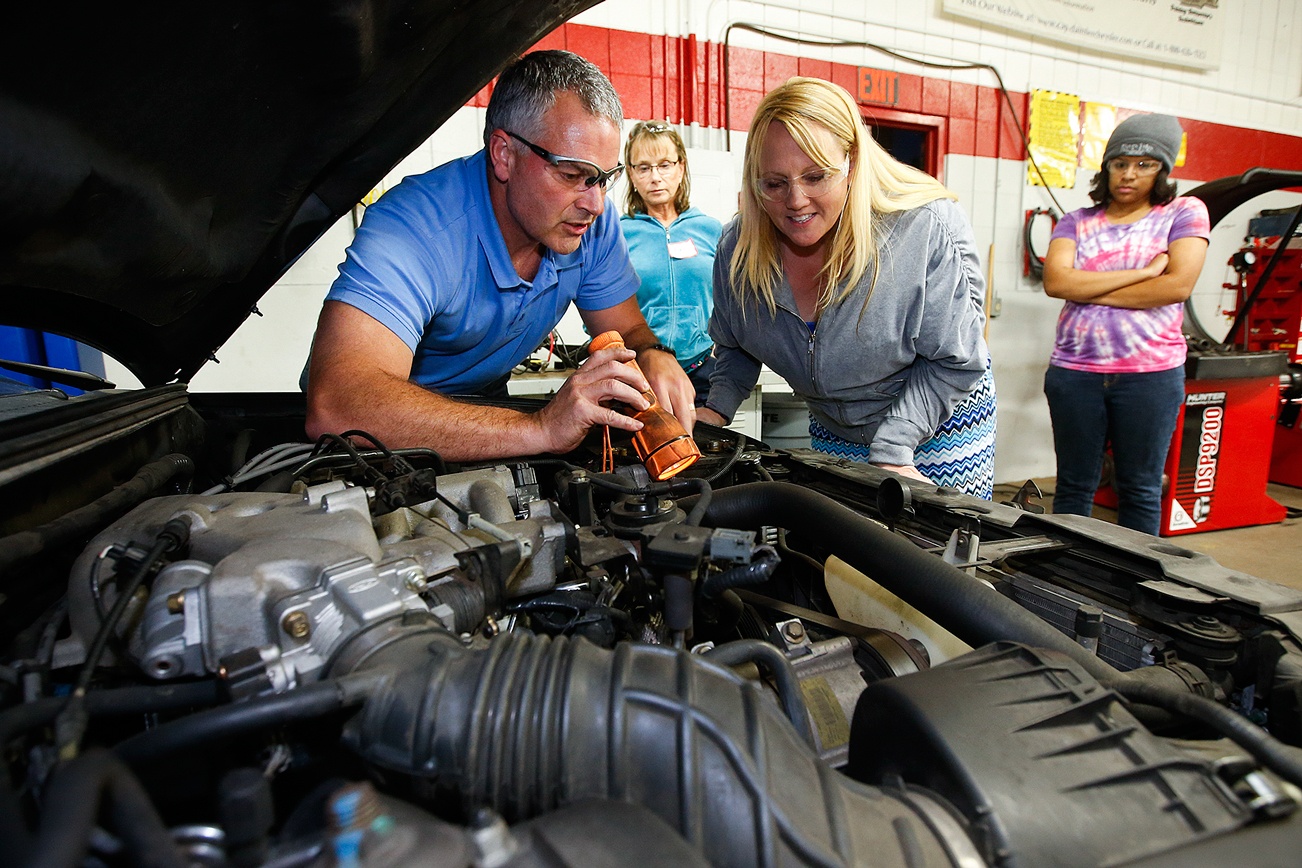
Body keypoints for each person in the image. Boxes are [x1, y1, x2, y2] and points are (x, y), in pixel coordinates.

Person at [304, 50, 694, 461]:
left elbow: (626, 329)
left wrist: (654, 355)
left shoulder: (589, 224)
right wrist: (541, 428)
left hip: (493, 410)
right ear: (504, 154)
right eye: (571, 175)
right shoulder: (416, 226)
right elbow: (339, 404)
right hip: (382, 438)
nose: (595, 204)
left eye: (603, 178)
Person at [696, 77, 997, 499]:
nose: (796, 201)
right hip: (836, 429)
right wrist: (715, 408)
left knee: (928, 558)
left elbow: (956, 361)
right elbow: (737, 343)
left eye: (816, 176)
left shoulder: (923, 230)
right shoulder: (738, 249)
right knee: (846, 556)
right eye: (775, 184)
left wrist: (895, 445)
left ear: (852, 163)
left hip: (935, 430)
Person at [1042, 113, 1209, 535]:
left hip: (1149, 377)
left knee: (1139, 488)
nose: (1128, 175)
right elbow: (1056, 281)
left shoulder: (1184, 212)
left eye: (1144, 165)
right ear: (1106, 167)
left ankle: (1133, 584)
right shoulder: (1077, 220)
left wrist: (1088, 288)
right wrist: (1142, 273)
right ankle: (1065, 575)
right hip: (1075, 374)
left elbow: (1177, 286)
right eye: (1119, 164)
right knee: (1074, 486)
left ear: (1163, 170)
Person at [620, 121, 723, 404]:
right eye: (643, 167)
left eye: (664, 165)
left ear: (681, 167)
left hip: (703, 373)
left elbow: (734, 303)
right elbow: (601, 306)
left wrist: (719, 351)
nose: (655, 177)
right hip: (640, 375)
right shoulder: (618, 235)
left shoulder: (711, 230)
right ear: (631, 173)